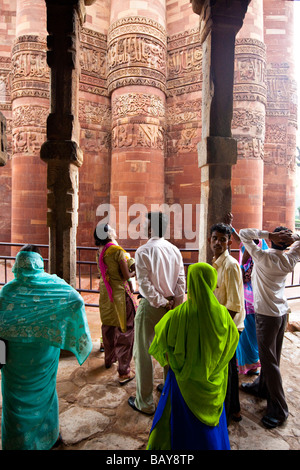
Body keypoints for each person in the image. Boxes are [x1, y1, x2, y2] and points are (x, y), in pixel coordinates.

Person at [0, 245, 93, 450]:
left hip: (14, 361)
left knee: (14, 404)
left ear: (18, 265)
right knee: (45, 396)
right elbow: (76, 299)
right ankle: (47, 438)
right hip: (41, 357)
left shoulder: (7, 292)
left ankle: (17, 444)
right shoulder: (52, 287)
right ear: (39, 264)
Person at [146, 263, 239, 450]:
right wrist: (215, 366)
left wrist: (175, 360)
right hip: (213, 382)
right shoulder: (223, 315)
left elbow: (161, 341)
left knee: (179, 425)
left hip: (183, 383)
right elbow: (232, 342)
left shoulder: (177, 316)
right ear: (212, 282)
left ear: (191, 283)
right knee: (210, 428)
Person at [239, 226, 300, 429]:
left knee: (269, 361)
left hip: (266, 316)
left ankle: (279, 409)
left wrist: (268, 234)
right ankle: (262, 387)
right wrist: (292, 238)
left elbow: (245, 234)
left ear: (274, 239)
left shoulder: (262, 257)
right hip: (281, 314)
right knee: (272, 358)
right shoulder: (289, 259)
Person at [128, 212, 186, 415]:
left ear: (152, 228)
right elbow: (181, 282)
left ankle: (144, 402)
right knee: (170, 350)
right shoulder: (174, 250)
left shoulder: (143, 251)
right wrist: (174, 304)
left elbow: (144, 284)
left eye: (146, 224)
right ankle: (168, 390)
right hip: (171, 307)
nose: (143, 227)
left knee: (143, 352)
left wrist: (161, 302)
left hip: (151, 307)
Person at [209, 223, 245, 425]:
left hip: (230, 325)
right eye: (215, 238)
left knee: (229, 368)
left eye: (223, 239)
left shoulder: (230, 266)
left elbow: (234, 305)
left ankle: (233, 410)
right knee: (227, 366)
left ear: (229, 241)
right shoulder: (215, 263)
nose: (218, 242)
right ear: (210, 240)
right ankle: (233, 408)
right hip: (223, 322)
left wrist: (222, 329)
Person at [225, 213, 268, 375]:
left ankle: (250, 365)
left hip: (249, 301)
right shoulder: (256, 247)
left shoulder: (257, 254)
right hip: (253, 300)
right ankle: (248, 364)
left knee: (248, 335)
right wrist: (230, 225)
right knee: (250, 335)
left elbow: (242, 274)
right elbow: (238, 239)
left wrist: (243, 262)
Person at [94, 223, 137, 385]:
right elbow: (126, 275)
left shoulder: (100, 251)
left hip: (106, 294)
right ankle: (124, 371)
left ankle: (109, 359)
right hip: (119, 294)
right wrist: (135, 270)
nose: (114, 230)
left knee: (108, 325)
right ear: (108, 233)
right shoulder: (117, 251)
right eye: (111, 229)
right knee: (125, 329)